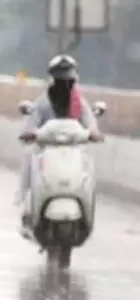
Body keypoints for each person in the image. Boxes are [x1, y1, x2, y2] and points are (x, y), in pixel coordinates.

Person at [16, 55, 104, 209]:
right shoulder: (42, 103)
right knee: (29, 154)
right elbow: (31, 124)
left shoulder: (80, 104)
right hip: (46, 150)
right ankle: (24, 199)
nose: (64, 86)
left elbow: (90, 124)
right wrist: (30, 133)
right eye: (60, 82)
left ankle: (88, 204)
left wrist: (93, 133)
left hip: (73, 151)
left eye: (68, 82)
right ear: (53, 81)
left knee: (89, 164)